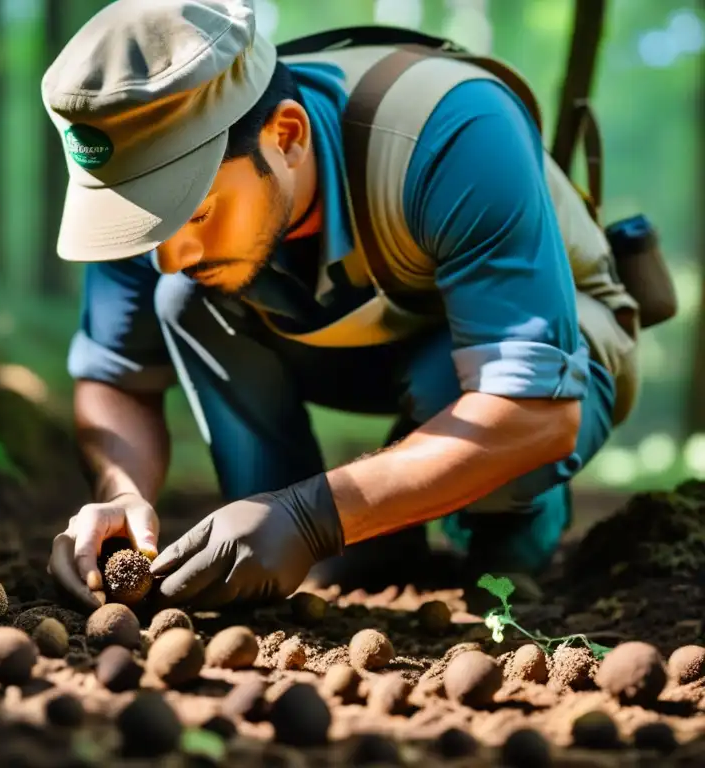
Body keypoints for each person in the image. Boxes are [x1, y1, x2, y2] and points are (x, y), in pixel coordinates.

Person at [40, 0, 641, 611]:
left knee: (452, 388)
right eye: (146, 227)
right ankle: (321, 538)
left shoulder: (453, 129)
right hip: (340, 343)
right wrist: (121, 493)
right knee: (183, 297)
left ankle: (512, 529)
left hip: (530, 355)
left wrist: (311, 517)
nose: (170, 253)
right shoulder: (141, 183)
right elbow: (117, 378)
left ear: (289, 137)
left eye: (195, 211)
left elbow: (535, 410)